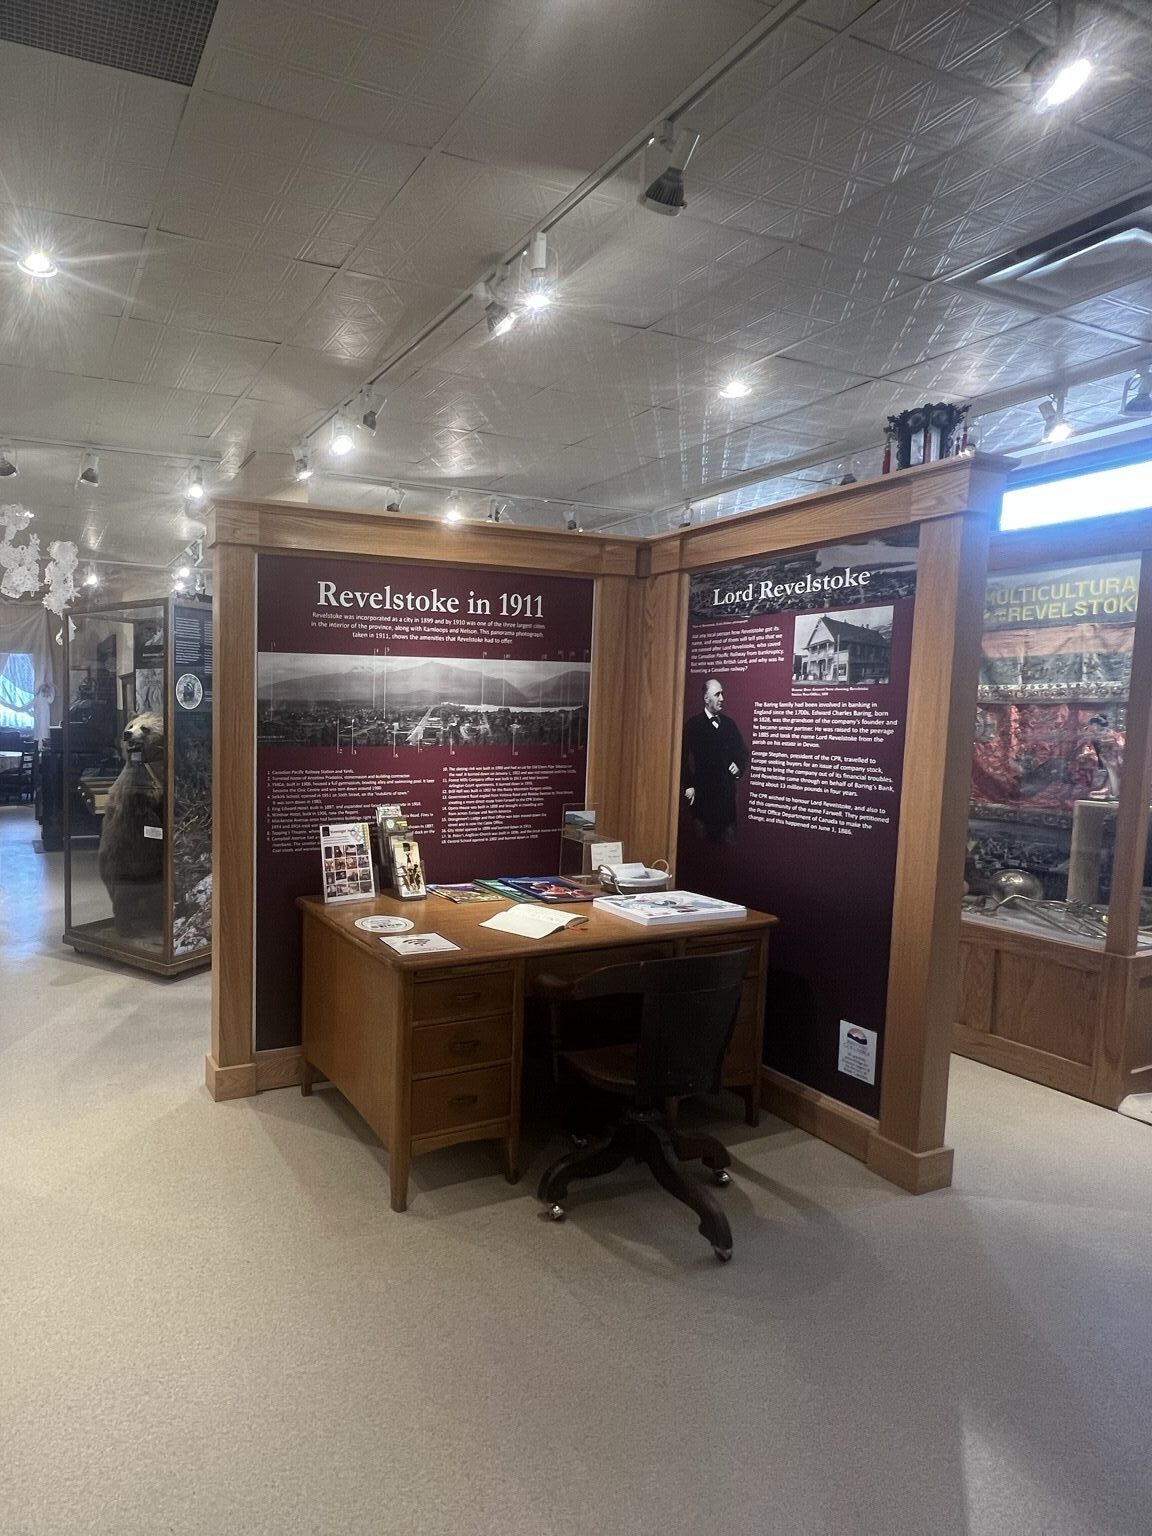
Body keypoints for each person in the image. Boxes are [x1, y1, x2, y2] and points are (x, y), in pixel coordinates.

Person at [681, 678, 749, 844]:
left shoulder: (729, 724)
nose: (722, 698)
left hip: (726, 803)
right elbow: (682, 757)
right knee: (702, 850)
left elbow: (743, 752)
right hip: (703, 801)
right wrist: (688, 785)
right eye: (717, 694)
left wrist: (738, 767)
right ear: (706, 698)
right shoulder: (693, 725)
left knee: (728, 851)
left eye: (722, 694)